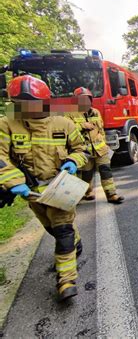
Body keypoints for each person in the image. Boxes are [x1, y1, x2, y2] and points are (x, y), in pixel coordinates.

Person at [0, 75, 87, 301]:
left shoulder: (64, 123)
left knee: (62, 230)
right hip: (32, 193)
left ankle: (66, 280)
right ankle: (75, 242)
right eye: (20, 105)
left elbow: (82, 149)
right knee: (50, 228)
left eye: (32, 104)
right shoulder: (7, 124)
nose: (27, 109)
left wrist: (73, 161)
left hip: (60, 189)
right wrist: (13, 182)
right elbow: (1, 157)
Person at [70, 87, 124, 204]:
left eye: (87, 99)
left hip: (100, 148)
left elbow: (101, 130)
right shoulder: (70, 115)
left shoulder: (96, 112)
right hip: (84, 151)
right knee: (86, 174)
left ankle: (111, 195)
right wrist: (82, 126)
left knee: (106, 170)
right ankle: (88, 192)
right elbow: (68, 131)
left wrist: (105, 144)